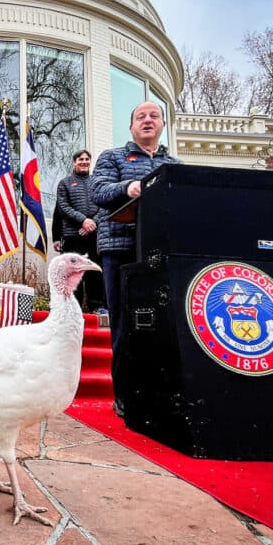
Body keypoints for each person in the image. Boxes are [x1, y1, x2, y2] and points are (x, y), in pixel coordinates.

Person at [91, 101, 180, 417]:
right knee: (124, 325)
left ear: (162, 125)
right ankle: (126, 395)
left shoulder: (174, 163)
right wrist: (129, 187)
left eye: (154, 116)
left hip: (160, 253)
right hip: (121, 250)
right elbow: (97, 192)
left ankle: (163, 393)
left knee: (163, 325)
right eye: (140, 116)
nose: (147, 120)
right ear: (131, 127)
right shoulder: (113, 157)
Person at [56, 150, 107, 314]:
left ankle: (97, 306)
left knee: (95, 272)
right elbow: (63, 208)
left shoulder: (97, 183)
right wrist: (83, 221)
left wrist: (93, 223)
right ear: (74, 162)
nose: (84, 161)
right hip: (73, 236)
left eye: (87, 159)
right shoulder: (65, 183)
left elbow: (104, 206)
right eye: (80, 159)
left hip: (94, 236)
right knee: (73, 274)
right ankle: (73, 308)